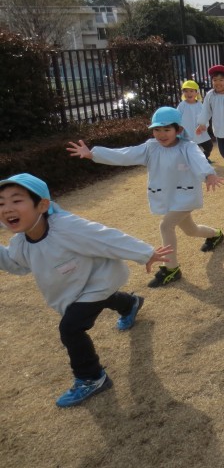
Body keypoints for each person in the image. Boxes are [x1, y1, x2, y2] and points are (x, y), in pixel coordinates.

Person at [0, 173, 172, 407]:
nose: (7, 208)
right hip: (77, 285)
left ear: (42, 204)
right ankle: (130, 304)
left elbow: (106, 237)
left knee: (71, 328)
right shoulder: (20, 242)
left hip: (99, 279)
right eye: (1, 203)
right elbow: (17, 265)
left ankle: (91, 377)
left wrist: (145, 253)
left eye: (16, 200)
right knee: (101, 301)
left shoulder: (66, 227)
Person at [68, 107, 224, 288]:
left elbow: (199, 159)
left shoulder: (188, 147)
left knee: (166, 226)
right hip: (170, 198)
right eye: (157, 129)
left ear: (178, 130)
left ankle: (171, 268)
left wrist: (208, 175)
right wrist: (94, 154)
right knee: (191, 230)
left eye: (167, 129)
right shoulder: (150, 147)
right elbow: (126, 154)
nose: (161, 134)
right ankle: (215, 235)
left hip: (186, 196)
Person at [177, 80, 213, 159]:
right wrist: (178, 127)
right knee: (191, 149)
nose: (189, 93)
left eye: (191, 91)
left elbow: (205, 115)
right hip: (187, 132)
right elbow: (177, 117)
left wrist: (204, 125)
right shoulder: (182, 105)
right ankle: (195, 161)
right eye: (186, 91)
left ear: (197, 93)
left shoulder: (200, 104)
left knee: (209, 146)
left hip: (200, 131)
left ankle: (204, 157)